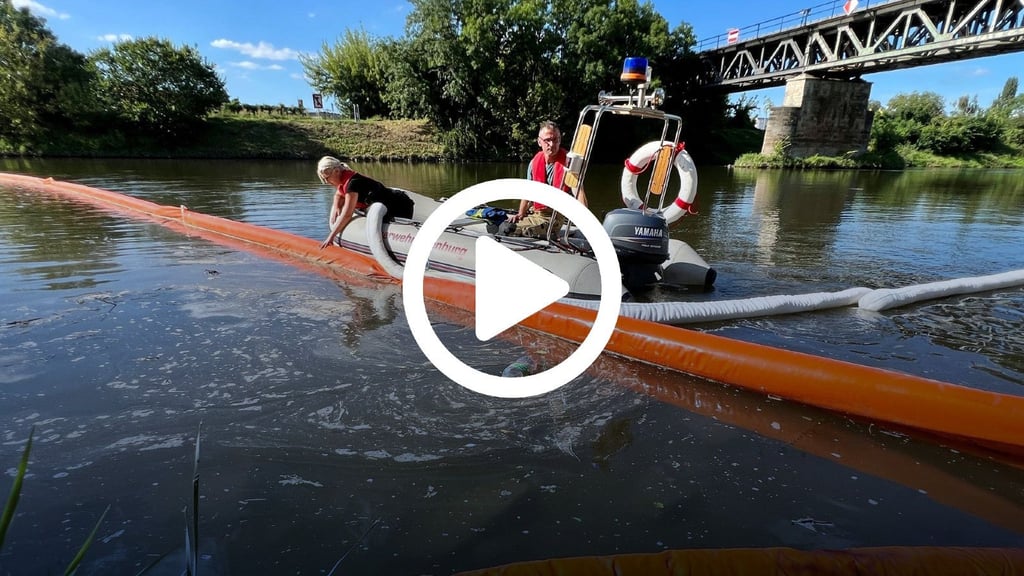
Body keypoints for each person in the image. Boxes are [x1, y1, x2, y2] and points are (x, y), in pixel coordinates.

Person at [504, 121, 588, 239]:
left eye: (555, 140)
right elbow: (528, 192)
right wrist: (520, 213)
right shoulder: (534, 163)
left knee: (509, 230)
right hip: (536, 213)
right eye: (547, 140)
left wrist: (586, 220)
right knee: (504, 225)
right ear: (539, 142)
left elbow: (578, 191)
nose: (552, 144)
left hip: (553, 217)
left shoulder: (569, 164)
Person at [317, 156, 414, 249]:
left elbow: (347, 214)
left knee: (397, 235)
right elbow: (339, 194)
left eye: (327, 178)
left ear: (337, 171)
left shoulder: (353, 183)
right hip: (390, 204)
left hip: (400, 205)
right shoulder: (346, 180)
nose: (327, 182)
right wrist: (337, 206)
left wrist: (331, 237)